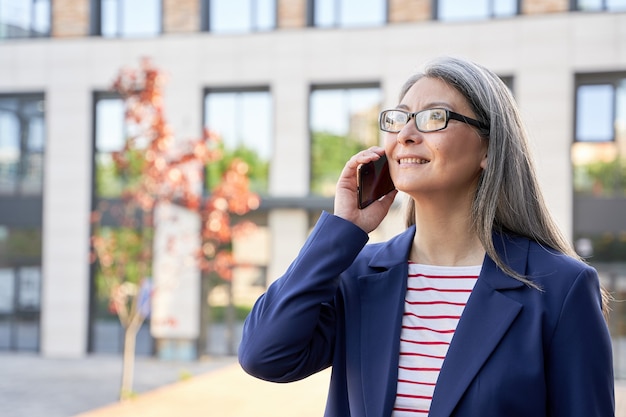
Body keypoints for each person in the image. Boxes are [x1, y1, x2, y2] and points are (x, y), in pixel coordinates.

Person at [238, 56, 615, 417]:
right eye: (399, 118)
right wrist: (343, 231)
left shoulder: (561, 288)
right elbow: (264, 354)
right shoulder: (359, 276)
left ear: (488, 147)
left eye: (434, 117)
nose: (406, 134)